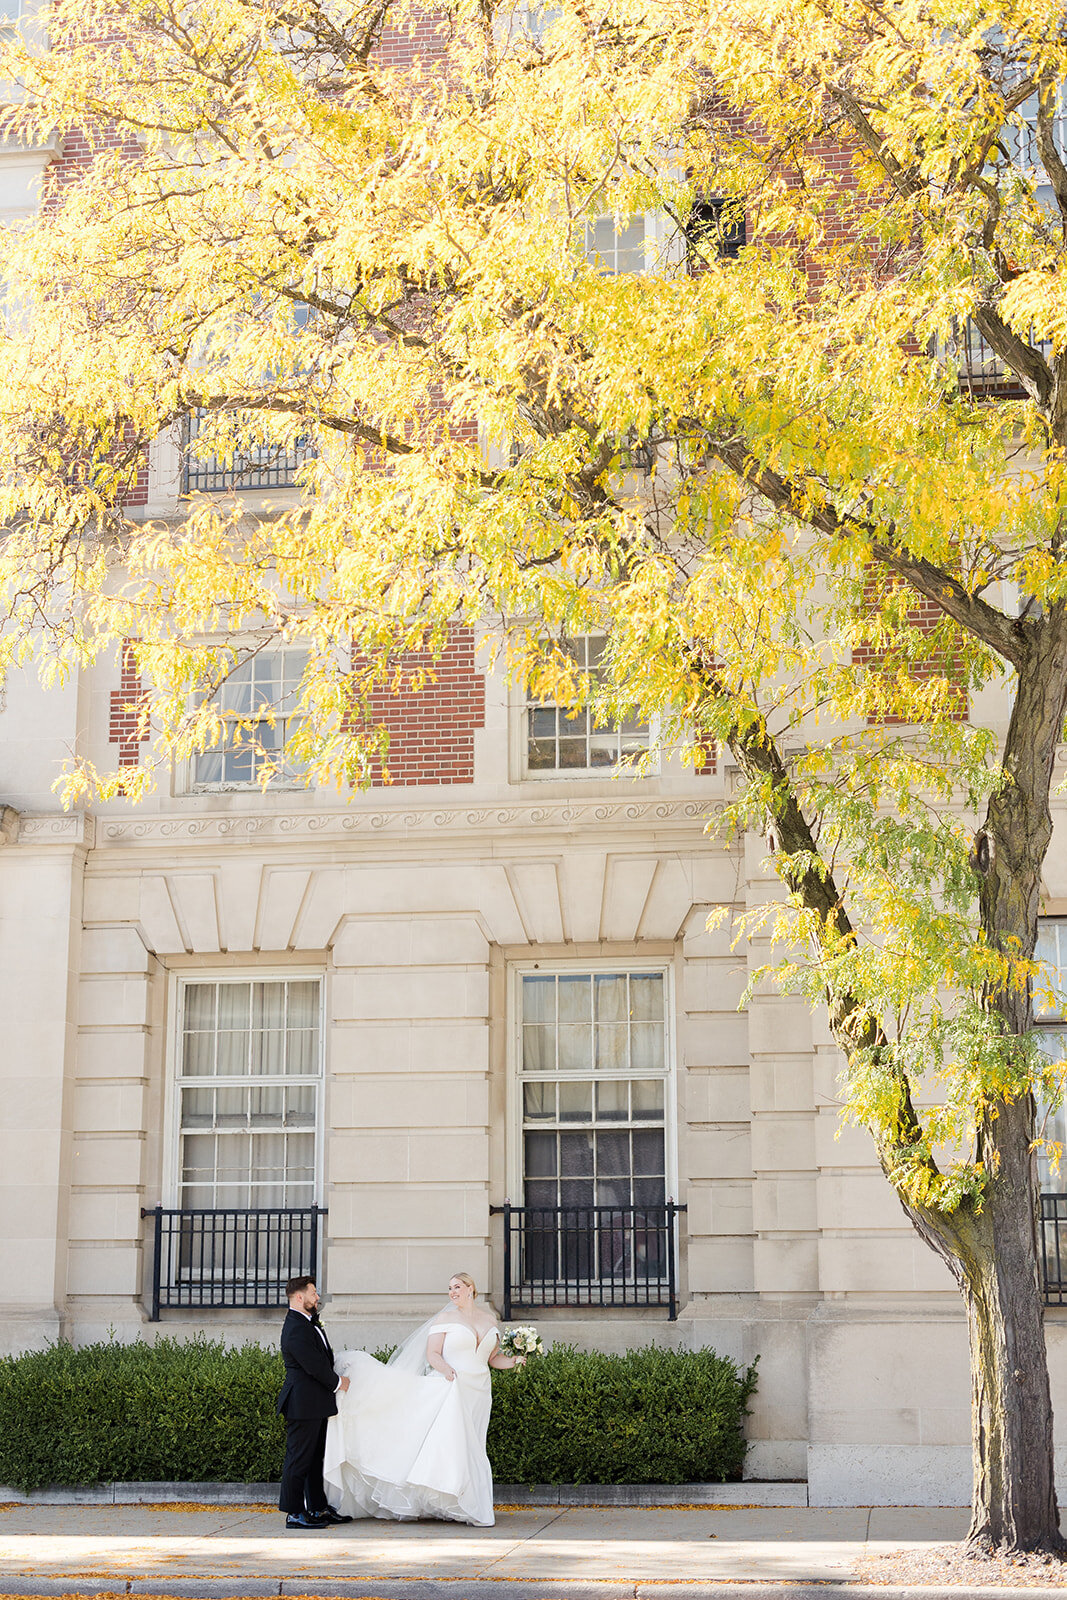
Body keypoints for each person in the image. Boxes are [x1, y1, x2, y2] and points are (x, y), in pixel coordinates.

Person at [322, 1272, 526, 1527]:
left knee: (474, 1441)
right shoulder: (445, 1319)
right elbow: (433, 1353)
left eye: (458, 1287)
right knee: (456, 1444)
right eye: (450, 1288)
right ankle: (466, 1506)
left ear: (471, 1288)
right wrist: (446, 1370)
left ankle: (467, 1502)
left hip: (479, 1390)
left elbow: (493, 1358)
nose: (453, 1292)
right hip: (452, 1386)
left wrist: (514, 1361)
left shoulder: (489, 1319)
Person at [277, 1274, 354, 1529]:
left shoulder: (308, 1323)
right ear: (300, 1297)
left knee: (314, 1459)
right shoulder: (296, 1327)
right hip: (303, 1403)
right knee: (299, 1458)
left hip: (315, 1402)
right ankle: (294, 1512)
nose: (317, 1297)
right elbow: (312, 1366)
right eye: (313, 1293)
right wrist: (337, 1382)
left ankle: (318, 1508)